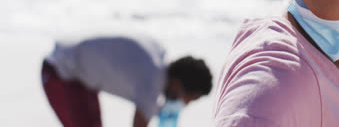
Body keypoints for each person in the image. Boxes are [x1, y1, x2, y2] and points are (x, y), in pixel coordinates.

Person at [41, 36, 212, 127]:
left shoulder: (157, 56)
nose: (186, 103)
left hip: (81, 76)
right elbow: (143, 113)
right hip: (60, 72)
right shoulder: (151, 83)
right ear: (178, 83)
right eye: (190, 97)